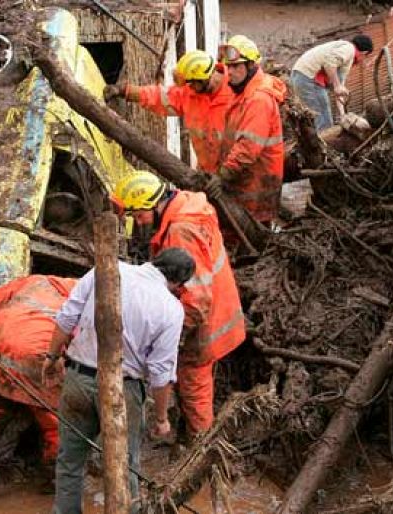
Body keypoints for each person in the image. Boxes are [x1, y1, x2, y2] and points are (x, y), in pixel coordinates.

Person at [44, 248, 194, 514]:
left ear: (155, 261)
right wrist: (161, 418)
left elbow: (67, 316)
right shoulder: (171, 307)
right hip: (124, 390)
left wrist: (52, 356)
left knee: (69, 460)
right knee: (124, 467)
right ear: (178, 283)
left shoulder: (106, 269)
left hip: (79, 377)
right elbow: (161, 371)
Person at [111, 171, 246, 438]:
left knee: (196, 389)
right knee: (193, 385)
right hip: (220, 312)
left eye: (139, 216)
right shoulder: (185, 205)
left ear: (154, 204)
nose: (139, 224)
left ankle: (200, 454)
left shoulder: (181, 230)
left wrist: (172, 335)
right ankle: (190, 435)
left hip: (204, 326)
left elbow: (196, 298)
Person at [0, 274, 77, 506]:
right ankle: (53, 481)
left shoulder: (33, 282)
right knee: (56, 423)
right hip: (35, 358)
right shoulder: (80, 302)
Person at [104, 50, 233, 174]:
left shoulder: (237, 96)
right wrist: (125, 91)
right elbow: (159, 97)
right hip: (208, 174)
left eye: (192, 83)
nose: (190, 87)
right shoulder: (192, 94)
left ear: (204, 78)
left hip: (236, 177)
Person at [206, 35, 286, 224]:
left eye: (235, 66)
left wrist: (222, 176)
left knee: (250, 234)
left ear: (251, 66)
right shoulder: (243, 92)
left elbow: (248, 148)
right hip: (246, 180)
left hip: (255, 185)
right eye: (228, 67)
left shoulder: (258, 99)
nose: (229, 72)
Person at [290, 35, 374, 132]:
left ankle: (315, 142)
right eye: (366, 57)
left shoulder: (345, 57)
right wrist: (337, 86)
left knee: (315, 117)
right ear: (364, 53)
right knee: (324, 118)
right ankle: (325, 145)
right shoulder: (349, 49)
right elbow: (330, 63)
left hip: (301, 76)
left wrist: (343, 114)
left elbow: (339, 91)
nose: (363, 61)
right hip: (308, 77)